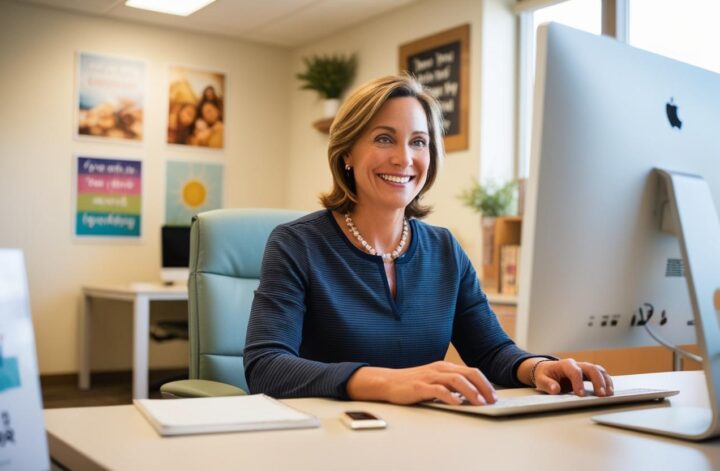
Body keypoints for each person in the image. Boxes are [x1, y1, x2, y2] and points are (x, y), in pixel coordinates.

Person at [243, 74, 613, 406]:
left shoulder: (445, 250)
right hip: (330, 440)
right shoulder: (296, 245)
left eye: (418, 142)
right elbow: (266, 367)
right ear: (347, 154)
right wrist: (388, 382)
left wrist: (538, 369)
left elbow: (492, 351)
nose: (404, 158)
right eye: (384, 138)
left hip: (424, 439)